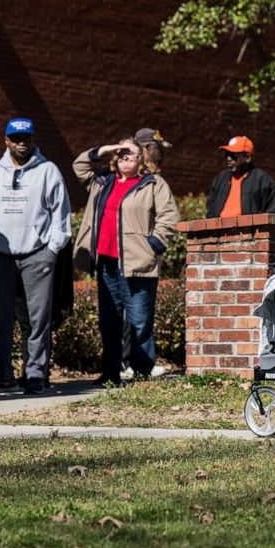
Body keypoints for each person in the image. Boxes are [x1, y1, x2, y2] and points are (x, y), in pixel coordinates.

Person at [72, 137, 180, 386]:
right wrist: (106, 148)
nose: (124, 157)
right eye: (120, 154)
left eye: (130, 153)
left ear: (142, 158)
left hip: (138, 263)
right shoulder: (102, 182)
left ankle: (142, 372)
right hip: (106, 263)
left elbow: (169, 216)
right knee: (109, 320)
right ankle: (110, 373)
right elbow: (79, 166)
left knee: (139, 320)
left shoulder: (152, 183)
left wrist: (153, 245)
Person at [0, 118, 72, 395]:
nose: (21, 143)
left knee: (37, 320)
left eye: (26, 138)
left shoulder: (48, 171)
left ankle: (35, 375)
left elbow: (61, 215)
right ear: (5, 140)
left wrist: (51, 251)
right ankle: (3, 377)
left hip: (36, 254)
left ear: (33, 140)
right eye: (15, 138)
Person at [206, 136, 275, 218]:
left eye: (233, 155)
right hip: (221, 230)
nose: (228, 158)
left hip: (249, 230)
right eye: (227, 154)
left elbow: (273, 214)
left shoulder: (263, 181)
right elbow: (210, 211)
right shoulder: (220, 179)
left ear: (248, 158)